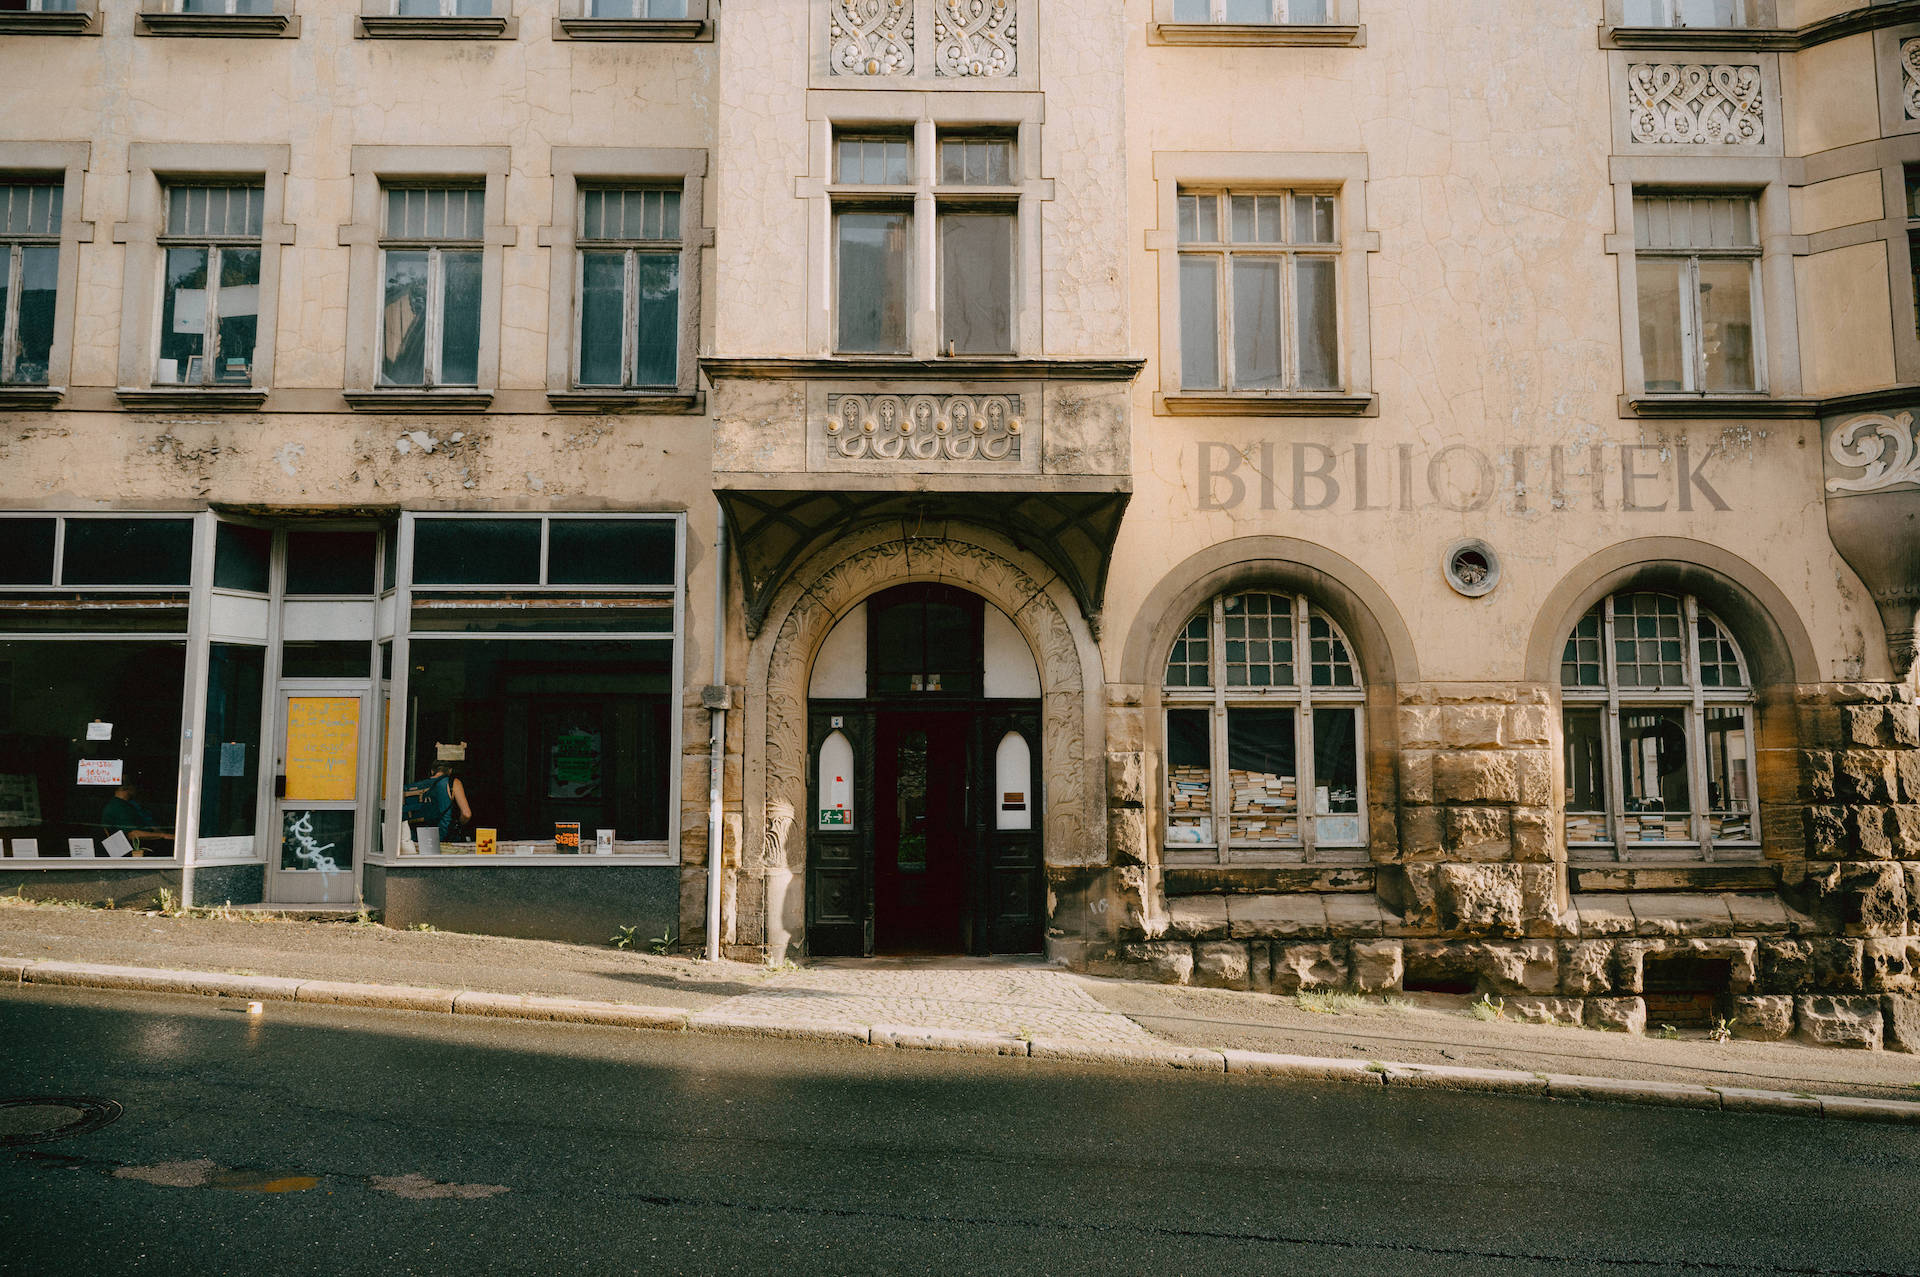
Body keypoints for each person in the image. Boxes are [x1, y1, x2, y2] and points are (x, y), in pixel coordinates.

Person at [405, 762, 472, 842]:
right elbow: (466, 814)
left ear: (432, 771)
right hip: (445, 838)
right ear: (450, 771)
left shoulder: (420, 786)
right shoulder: (453, 782)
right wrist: (458, 824)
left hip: (418, 839)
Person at [101, 783, 173, 853]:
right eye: (134, 785)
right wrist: (163, 835)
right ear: (125, 788)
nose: (137, 788)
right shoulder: (118, 807)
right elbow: (133, 834)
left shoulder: (130, 804)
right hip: (131, 851)